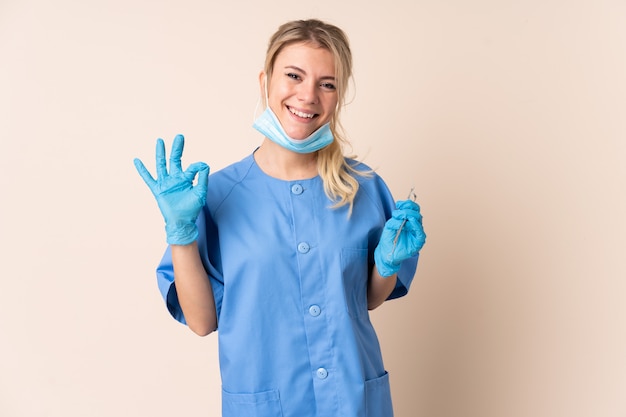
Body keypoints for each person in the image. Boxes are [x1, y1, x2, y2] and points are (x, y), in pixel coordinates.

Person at [134, 18, 426, 417]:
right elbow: (202, 321)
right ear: (265, 81)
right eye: (294, 75)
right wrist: (181, 232)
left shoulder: (364, 187)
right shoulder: (217, 196)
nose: (308, 96)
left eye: (327, 83)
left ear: (339, 96)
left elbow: (367, 301)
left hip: (353, 402)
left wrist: (387, 264)